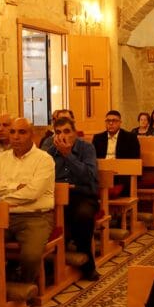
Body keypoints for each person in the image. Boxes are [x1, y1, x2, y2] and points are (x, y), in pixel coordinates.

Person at [0, 117, 55, 295]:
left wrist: (3, 196)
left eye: (22, 132)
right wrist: (13, 187)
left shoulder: (44, 159)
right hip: (3, 215)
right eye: (12, 131)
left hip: (35, 217)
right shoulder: (2, 158)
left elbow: (32, 193)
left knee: (30, 255)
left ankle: (24, 285)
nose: (15, 136)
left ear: (32, 135)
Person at [47, 116, 101, 281]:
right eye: (58, 132)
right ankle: (50, 265)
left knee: (83, 215)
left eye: (66, 131)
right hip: (58, 198)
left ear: (75, 133)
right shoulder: (50, 151)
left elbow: (89, 177)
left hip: (83, 195)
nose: (62, 136)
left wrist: (68, 155)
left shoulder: (87, 148)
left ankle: (87, 263)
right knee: (45, 219)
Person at [92, 110, 141, 200]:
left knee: (125, 181)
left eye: (114, 121)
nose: (111, 123)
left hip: (121, 174)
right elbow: (93, 158)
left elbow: (135, 160)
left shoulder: (130, 137)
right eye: (108, 121)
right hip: (102, 172)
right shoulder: (98, 138)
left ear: (120, 123)